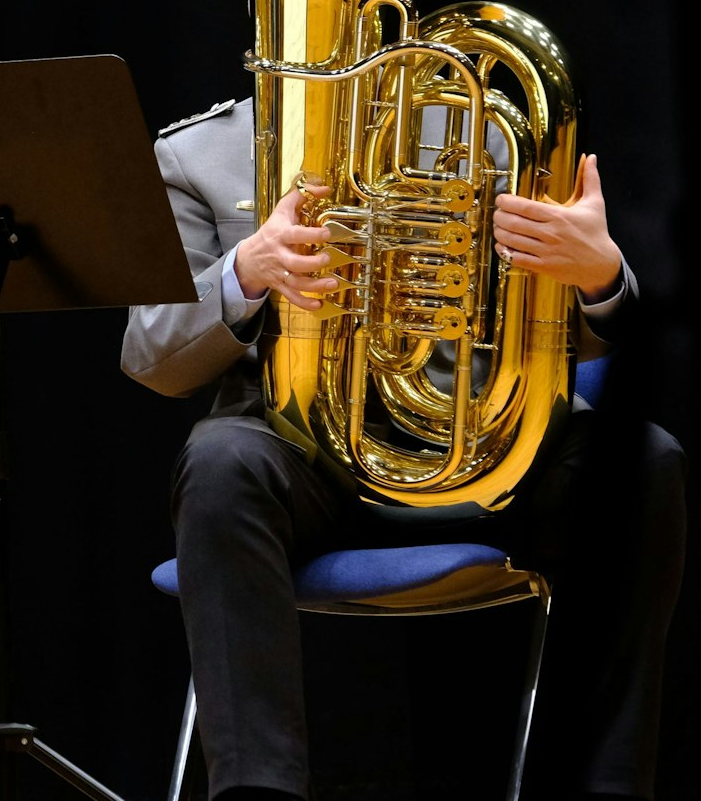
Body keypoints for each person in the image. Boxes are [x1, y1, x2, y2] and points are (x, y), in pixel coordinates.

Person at [122, 95, 685, 801]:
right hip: (304, 459)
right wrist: (246, 270)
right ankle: (255, 790)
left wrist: (599, 276)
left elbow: (594, 330)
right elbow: (152, 354)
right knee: (219, 464)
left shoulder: (487, 129)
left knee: (645, 461)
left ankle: (609, 786)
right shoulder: (194, 153)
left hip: (486, 447)